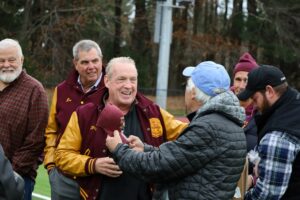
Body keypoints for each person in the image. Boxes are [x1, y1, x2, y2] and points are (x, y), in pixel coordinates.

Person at [106, 61, 247, 200]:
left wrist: (119, 149)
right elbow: (182, 159)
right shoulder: (226, 123)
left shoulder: (208, 128)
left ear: (192, 92)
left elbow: (158, 166)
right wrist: (146, 149)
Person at [55, 56, 188, 200]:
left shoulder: (153, 113)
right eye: (121, 79)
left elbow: (190, 136)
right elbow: (62, 156)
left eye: (133, 79)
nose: (128, 85)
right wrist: (93, 165)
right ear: (107, 81)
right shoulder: (84, 114)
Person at [43, 39, 105, 199]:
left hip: (98, 179)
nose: (91, 66)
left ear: (101, 60)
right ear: (75, 63)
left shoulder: (112, 88)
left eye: (95, 61)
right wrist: (51, 166)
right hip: (63, 179)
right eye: (85, 62)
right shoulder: (62, 90)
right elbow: (52, 130)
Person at [238, 65, 300, 199]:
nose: (253, 105)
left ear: (269, 91)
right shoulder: (294, 102)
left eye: (255, 99)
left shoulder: (278, 136)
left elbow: (266, 195)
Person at [0, 38, 49, 200]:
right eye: (1, 60)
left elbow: (35, 141)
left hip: (18, 177)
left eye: (11, 60)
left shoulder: (35, 90)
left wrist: (9, 175)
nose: (6, 64)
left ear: (21, 60)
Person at [232, 52, 259, 153]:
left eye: (246, 80)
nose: (242, 86)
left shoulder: (262, 109)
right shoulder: (222, 105)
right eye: (238, 80)